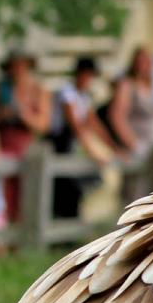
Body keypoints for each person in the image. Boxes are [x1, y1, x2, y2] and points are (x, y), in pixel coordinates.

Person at [48, 57, 119, 218]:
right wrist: (93, 150)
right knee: (64, 187)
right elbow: (76, 126)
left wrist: (112, 146)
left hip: (75, 144)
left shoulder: (84, 97)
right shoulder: (67, 93)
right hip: (61, 144)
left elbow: (94, 124)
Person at [0, 51, 51, 221]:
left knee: (27, 196)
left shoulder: (38, 90)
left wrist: (23, 114)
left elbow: (43, 125)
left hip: (27, 149)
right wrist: (3, 114)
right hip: (3, 148)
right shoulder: (1, 89)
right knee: (3, 197)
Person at [105, 46, 153, 159]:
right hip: (138, 149)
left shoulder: (152, 86)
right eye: (140, 62)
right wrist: (134, 144)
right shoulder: (127, 85)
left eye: (146, 61)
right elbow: (116, 116)